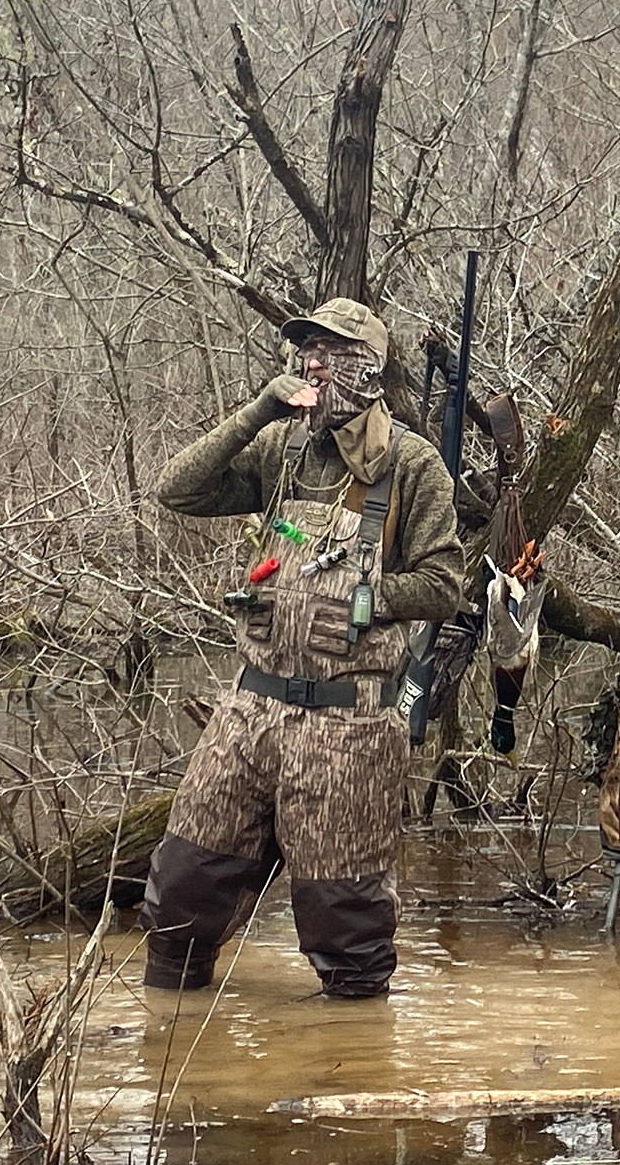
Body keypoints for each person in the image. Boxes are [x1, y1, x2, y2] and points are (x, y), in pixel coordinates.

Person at [140, 298, 463, 997]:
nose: (310, 362)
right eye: (304, 349)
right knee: (178, 902)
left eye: (328, 351)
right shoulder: (280, 448)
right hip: (249, 715)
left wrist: (370, 598)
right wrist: (258, 411)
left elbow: (444, 585)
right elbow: (176, 490)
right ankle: (170, 1055)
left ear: (369, 371)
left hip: (348, 729)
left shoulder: (412, 465)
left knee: (345, 928)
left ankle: (345, 1080)